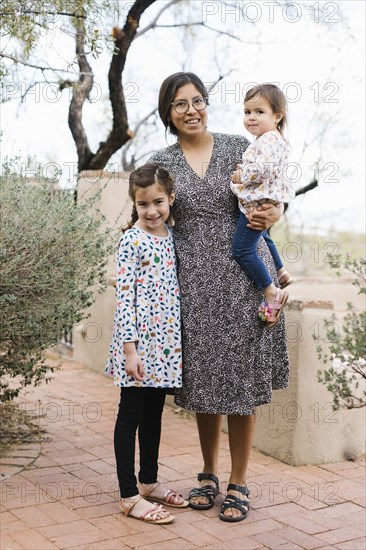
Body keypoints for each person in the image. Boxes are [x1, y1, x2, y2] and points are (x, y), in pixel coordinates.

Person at [150, 72, 290, 522]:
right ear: (168, 113)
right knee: (205, 383)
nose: (191, 110)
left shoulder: (241, 146)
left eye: (197, 101)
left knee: (241, 384)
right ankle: (207, 474)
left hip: (245, 282)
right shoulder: (161, 163)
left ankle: (239, 482)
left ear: (207, 103)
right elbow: (145, 216)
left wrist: (279, 209)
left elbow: (271, 189)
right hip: (190, 285)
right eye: (179, 104)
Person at [106, 163, 188, 525]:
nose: (152, 210)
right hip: (137, 346)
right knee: (131, 415)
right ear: (134, 205)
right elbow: (125, 299)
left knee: (154, 413)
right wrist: (130, 351)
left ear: (170, 198)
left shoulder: (171, 235)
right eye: (143, 205)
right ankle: (128, 495)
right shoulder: (131, 241)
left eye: (158, 202)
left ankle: (149, 481)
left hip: (165, 345)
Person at [231, 83, 295, 327]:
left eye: (259, 112)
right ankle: (280, 270)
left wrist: (242, 175)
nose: (251, 117)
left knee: (242, 250)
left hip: (256, 205)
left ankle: (271, 291)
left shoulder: (269, 140)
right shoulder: (267, 140)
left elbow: (263, 168)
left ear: (277, 116)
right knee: (263, 238)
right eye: (247, 112)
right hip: (260, 201)